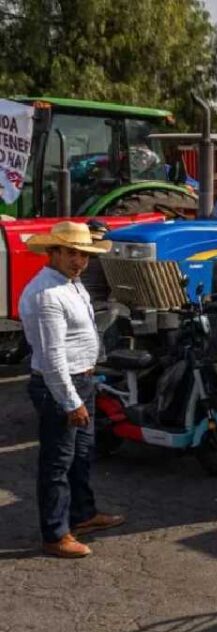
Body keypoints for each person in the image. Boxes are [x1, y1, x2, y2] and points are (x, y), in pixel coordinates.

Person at [20, 221, 126, 558]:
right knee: (58, 462)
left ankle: (82, 514)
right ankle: (55, 534)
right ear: (53, 252)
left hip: (81, 380)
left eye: (83, 254)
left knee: (81, 454)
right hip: (61, 386)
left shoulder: (71, 284)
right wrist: (70, 401)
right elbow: (52, 358)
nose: (79, 261)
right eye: (71, 253)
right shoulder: (47, 295)